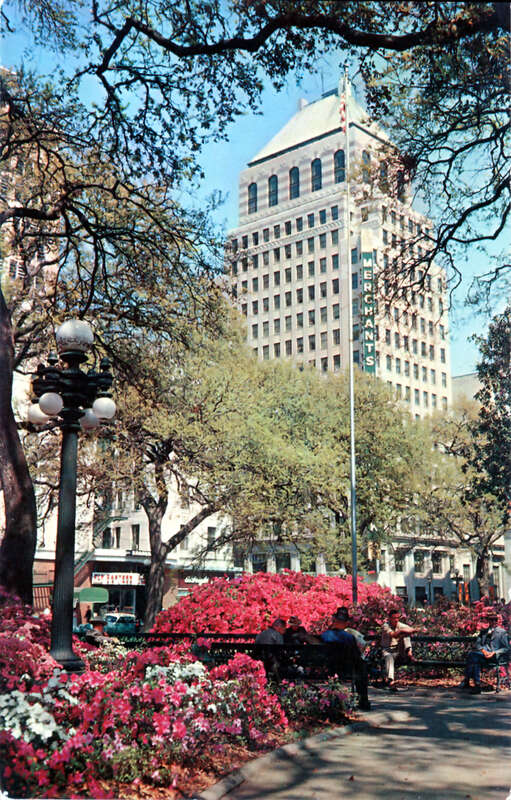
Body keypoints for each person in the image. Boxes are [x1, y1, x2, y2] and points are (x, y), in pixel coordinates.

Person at [321, 610, 371, 711]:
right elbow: (355, 655)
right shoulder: (349, 637)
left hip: (330, 668)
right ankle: (363, 701)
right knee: (362, 669)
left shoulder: (325, 635)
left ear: (335, 621)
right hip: (347, 668)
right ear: (345, 623)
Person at [459, 610, 510, 694]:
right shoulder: (483, 632)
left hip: (495, 657)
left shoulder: (502, 632)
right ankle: (477, 685)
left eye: (495, 620)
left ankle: (468, 681)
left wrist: (494, 653)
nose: (493, 622)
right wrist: (483, 651)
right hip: (483, 655)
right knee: (474, 658)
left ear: (497, 621)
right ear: (488, 621)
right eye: (491, 620)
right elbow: (477, 644)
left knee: (472, 657)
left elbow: (506, 648)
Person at [381, 609, 416, 690]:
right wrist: (401, 630)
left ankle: (409, 652)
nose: (396, 620)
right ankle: (391, 680)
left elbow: (413, 630)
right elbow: (393, 635)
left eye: (397, 618)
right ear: (389, 618)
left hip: (399, 650)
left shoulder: (400, 625)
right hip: (387, 650)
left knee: (405, 635)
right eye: (394, 618)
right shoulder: (385, 626)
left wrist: (404, 631)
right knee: (389, 657)